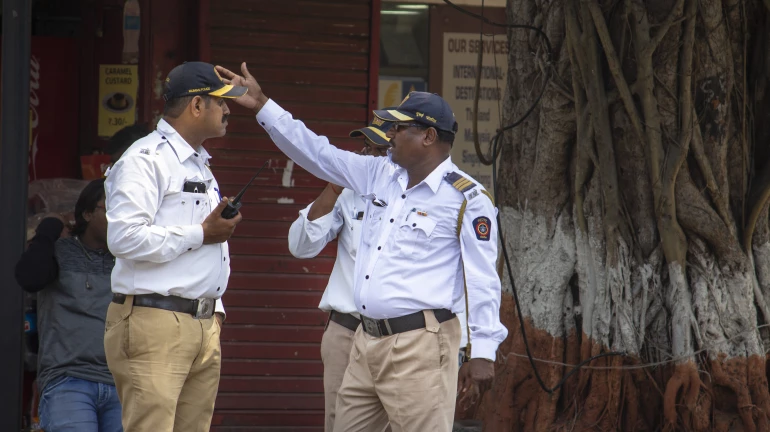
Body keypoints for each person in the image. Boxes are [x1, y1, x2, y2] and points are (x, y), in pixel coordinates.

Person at [217, 63, 507, 431]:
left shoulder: (466, 198)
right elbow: (317, 152)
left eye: (400, 128)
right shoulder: (379, 175)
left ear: (429, 137)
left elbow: (482, 281)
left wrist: (482, 352)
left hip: (420, 345)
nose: (391, 135)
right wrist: (262, 106)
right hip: (365, 340)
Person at [103, 61, 245, 432]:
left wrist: (214, 314)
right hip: (156, 321)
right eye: (221, 102)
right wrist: (201, 233)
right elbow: (123, 238)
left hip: (201, 323)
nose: (228, 110)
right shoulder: (145, 159)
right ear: (197, 106)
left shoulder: (199, 164)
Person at [288, 118, 393, 432]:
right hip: (346, 332)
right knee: (340, 424)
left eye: (379, 150)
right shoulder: (348, 193)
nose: (367, 156)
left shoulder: (421, 199)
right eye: (365, 147)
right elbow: (301, 246)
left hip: (399, 337)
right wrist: (334, 186)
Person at [15, 179, 122, 432]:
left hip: (121, 381)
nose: (121, 218)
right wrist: (50, 226)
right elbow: (29, 278)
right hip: (68, 379)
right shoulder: (60, 250)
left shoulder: (128, 259)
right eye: (112, 209)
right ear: (87, 213)